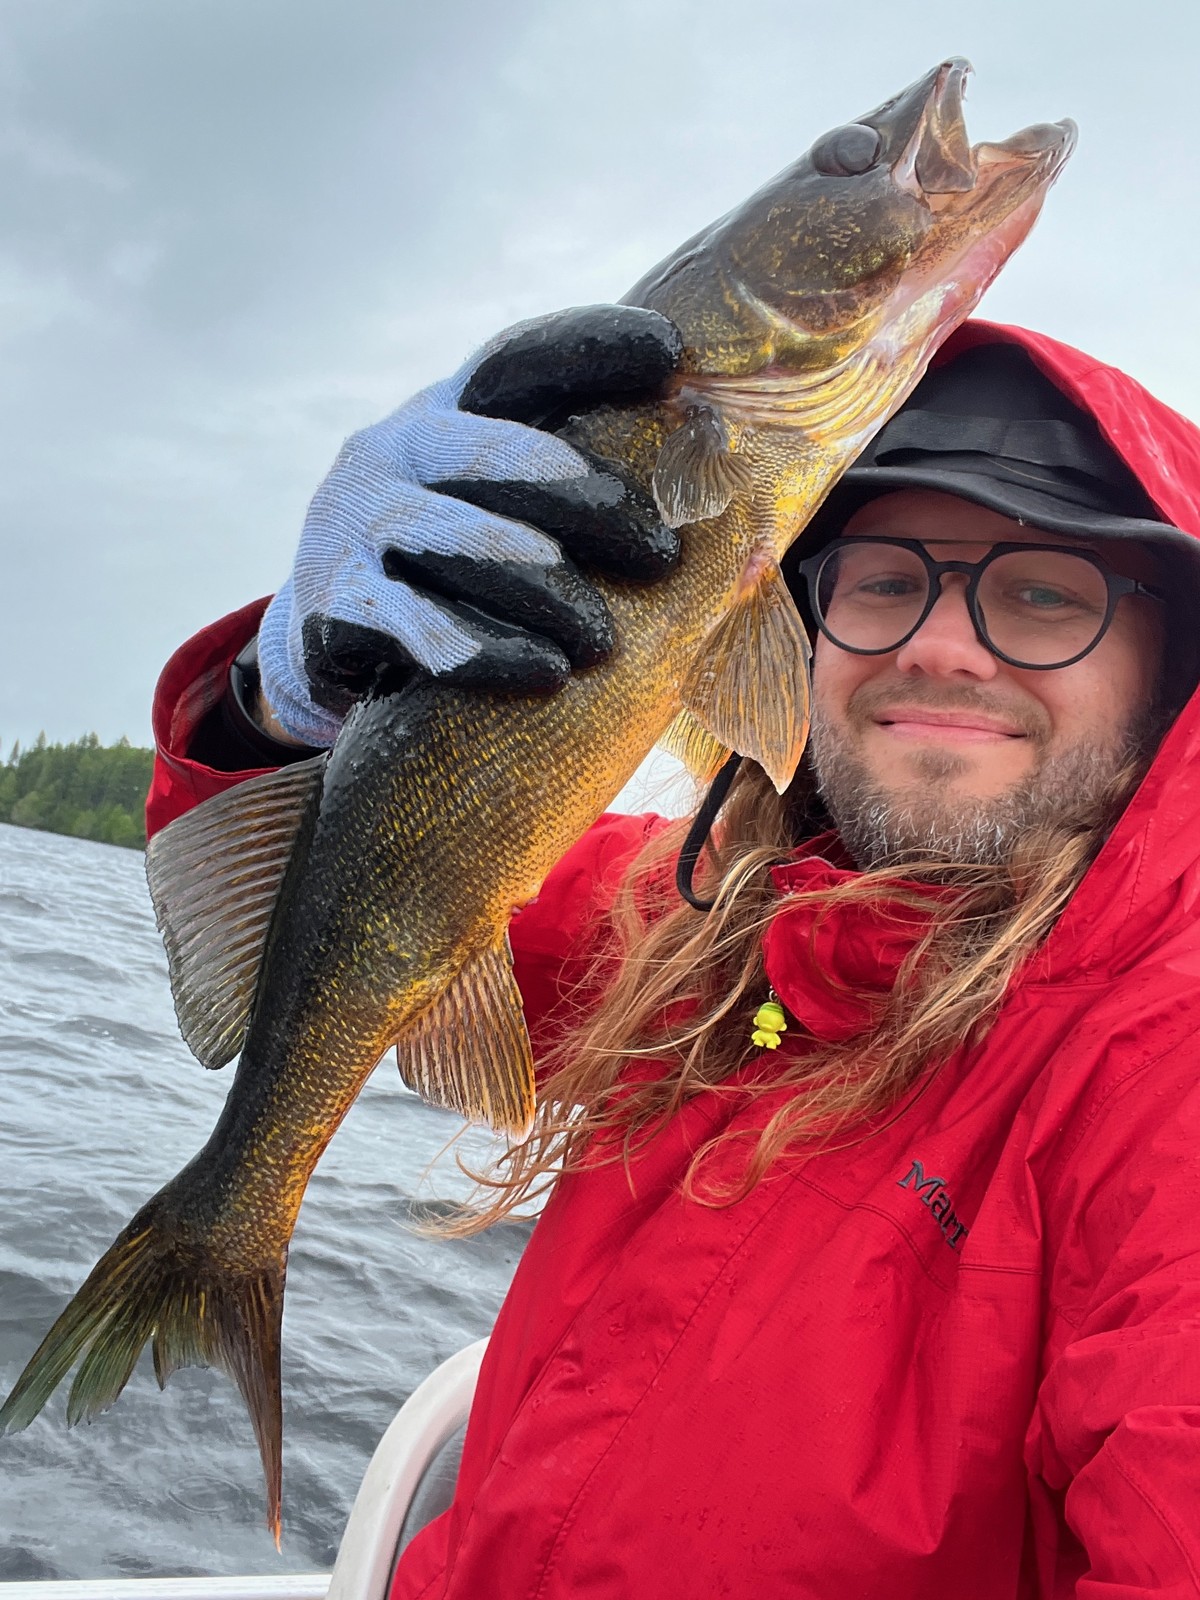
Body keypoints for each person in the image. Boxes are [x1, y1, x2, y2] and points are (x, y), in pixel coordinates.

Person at [148, 307, 1200, 1597]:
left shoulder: (1166, 1083)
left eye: (1043, 596)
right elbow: (339, 915)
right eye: (883, 583)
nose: (939, 642)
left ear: (1168, 675)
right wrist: (287, 702)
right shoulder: (700, 917)